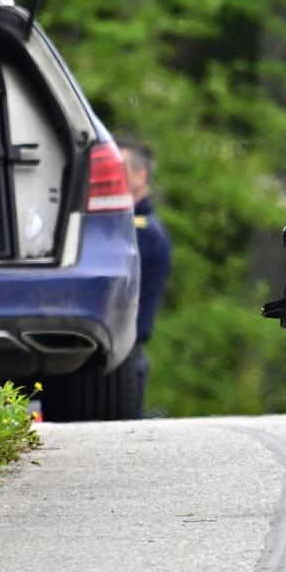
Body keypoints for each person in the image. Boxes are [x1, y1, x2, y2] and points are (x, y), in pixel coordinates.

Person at [118, 139, 172, 418]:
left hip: (123, 361)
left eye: (118, 169)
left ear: (141, 176)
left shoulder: (142, 232)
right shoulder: (134, 229)